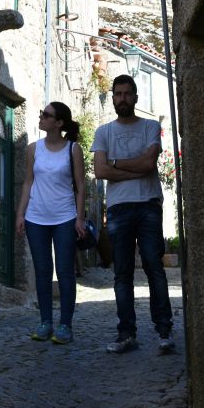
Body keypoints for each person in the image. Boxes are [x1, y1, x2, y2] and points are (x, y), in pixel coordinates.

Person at [92, 74, 174, 354]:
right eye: (118, 94)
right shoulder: (103, 132)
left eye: (127, 93)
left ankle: (164, 331)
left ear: (136, 97)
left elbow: (149, 163)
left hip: (148, 203)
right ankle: (126, 333)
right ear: (113, 97)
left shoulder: (150, 126)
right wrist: (134, 166)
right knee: (122, 272)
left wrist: (115, 164)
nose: (123, 98)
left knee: (154, 266)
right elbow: (100, 171)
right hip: (118, 209)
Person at [16, 102, 86, 345]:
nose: (41, 117)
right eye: (41, 114)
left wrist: (80, 217)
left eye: (46, 115)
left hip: (64, 217)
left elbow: (80, 186)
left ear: (59, 123)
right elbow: (28, 182)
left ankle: (65, 325)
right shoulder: (33, 149)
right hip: (36, 217)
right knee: (42, 270)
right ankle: (45, 322)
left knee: (65, 271)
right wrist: (20, 214)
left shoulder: (73, 150)